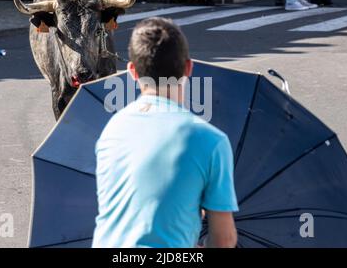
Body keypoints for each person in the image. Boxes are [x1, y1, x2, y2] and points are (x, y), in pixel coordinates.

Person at [92, 17, 239, 248]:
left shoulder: (111, 130)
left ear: (132, 71)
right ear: (189, 67)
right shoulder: (210, 140)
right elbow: (224, 240)